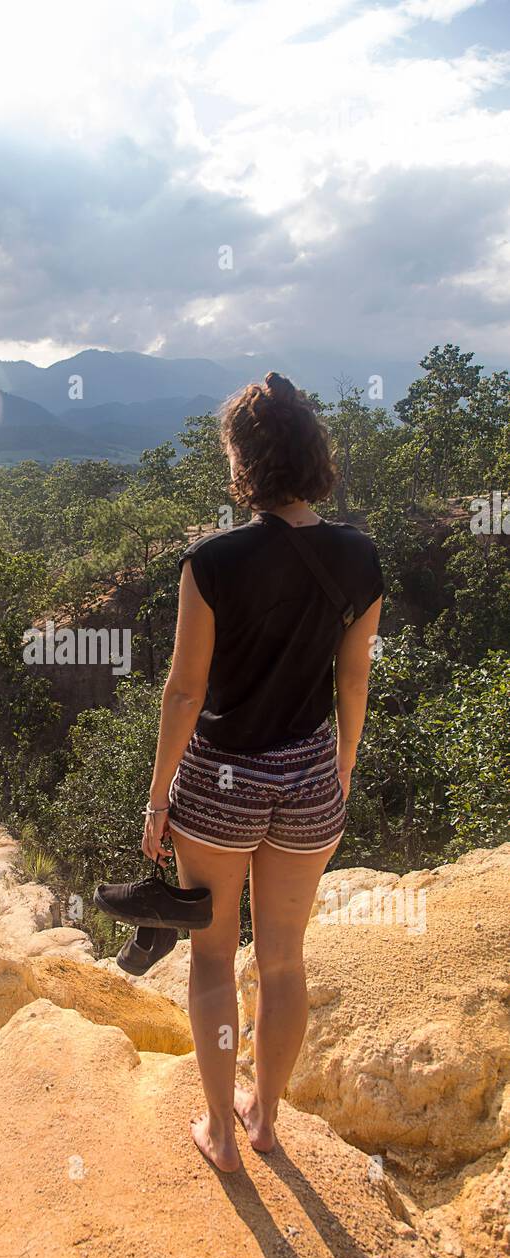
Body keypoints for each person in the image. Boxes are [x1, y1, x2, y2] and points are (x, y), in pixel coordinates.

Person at [142, 371, 383, 1173]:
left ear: (243, 460)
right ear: (315, 450)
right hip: (312, 777)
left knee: (212, 955)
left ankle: (219, 1128)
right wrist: (341, 767)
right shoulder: (359, 557)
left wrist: (156, 802)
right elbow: (354, 681)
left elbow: (184, 692)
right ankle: (265, 1117)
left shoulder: (212, 561)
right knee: (282, 959)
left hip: (219, 784)